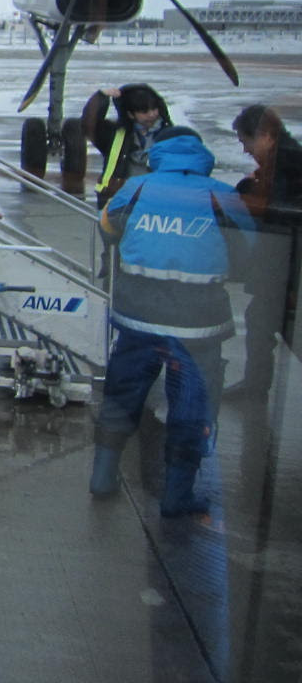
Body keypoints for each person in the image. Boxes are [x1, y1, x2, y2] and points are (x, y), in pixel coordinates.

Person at [89, 126, 255, 517]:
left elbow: (108, 229)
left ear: (156, 153)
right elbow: (250, 251)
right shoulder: (222, 194)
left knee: (122, 395)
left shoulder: (136, 188)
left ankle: (102, 477)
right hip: (198, 326)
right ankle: (177, 495)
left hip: (138, 317)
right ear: (201, 155)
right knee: (191, 407)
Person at [225, 105, 302, 400]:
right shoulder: (281, 163)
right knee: (261, 322)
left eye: (246, 142)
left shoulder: (289, 166)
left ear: (266, 136)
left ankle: (255, 388)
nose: (245, 150)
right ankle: (254, 387)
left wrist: (249, 201)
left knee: (276, 325)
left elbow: (283, 218)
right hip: (280, 269)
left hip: (286, 269)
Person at [81, 83, 173, 207]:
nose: (151, 114)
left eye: (154, 109)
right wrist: (100, 98)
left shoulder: (171, 134)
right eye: (144, 111)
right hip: (120, 199)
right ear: (130, 114)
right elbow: (90, 125)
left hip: (158, 200)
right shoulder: (115, 135)